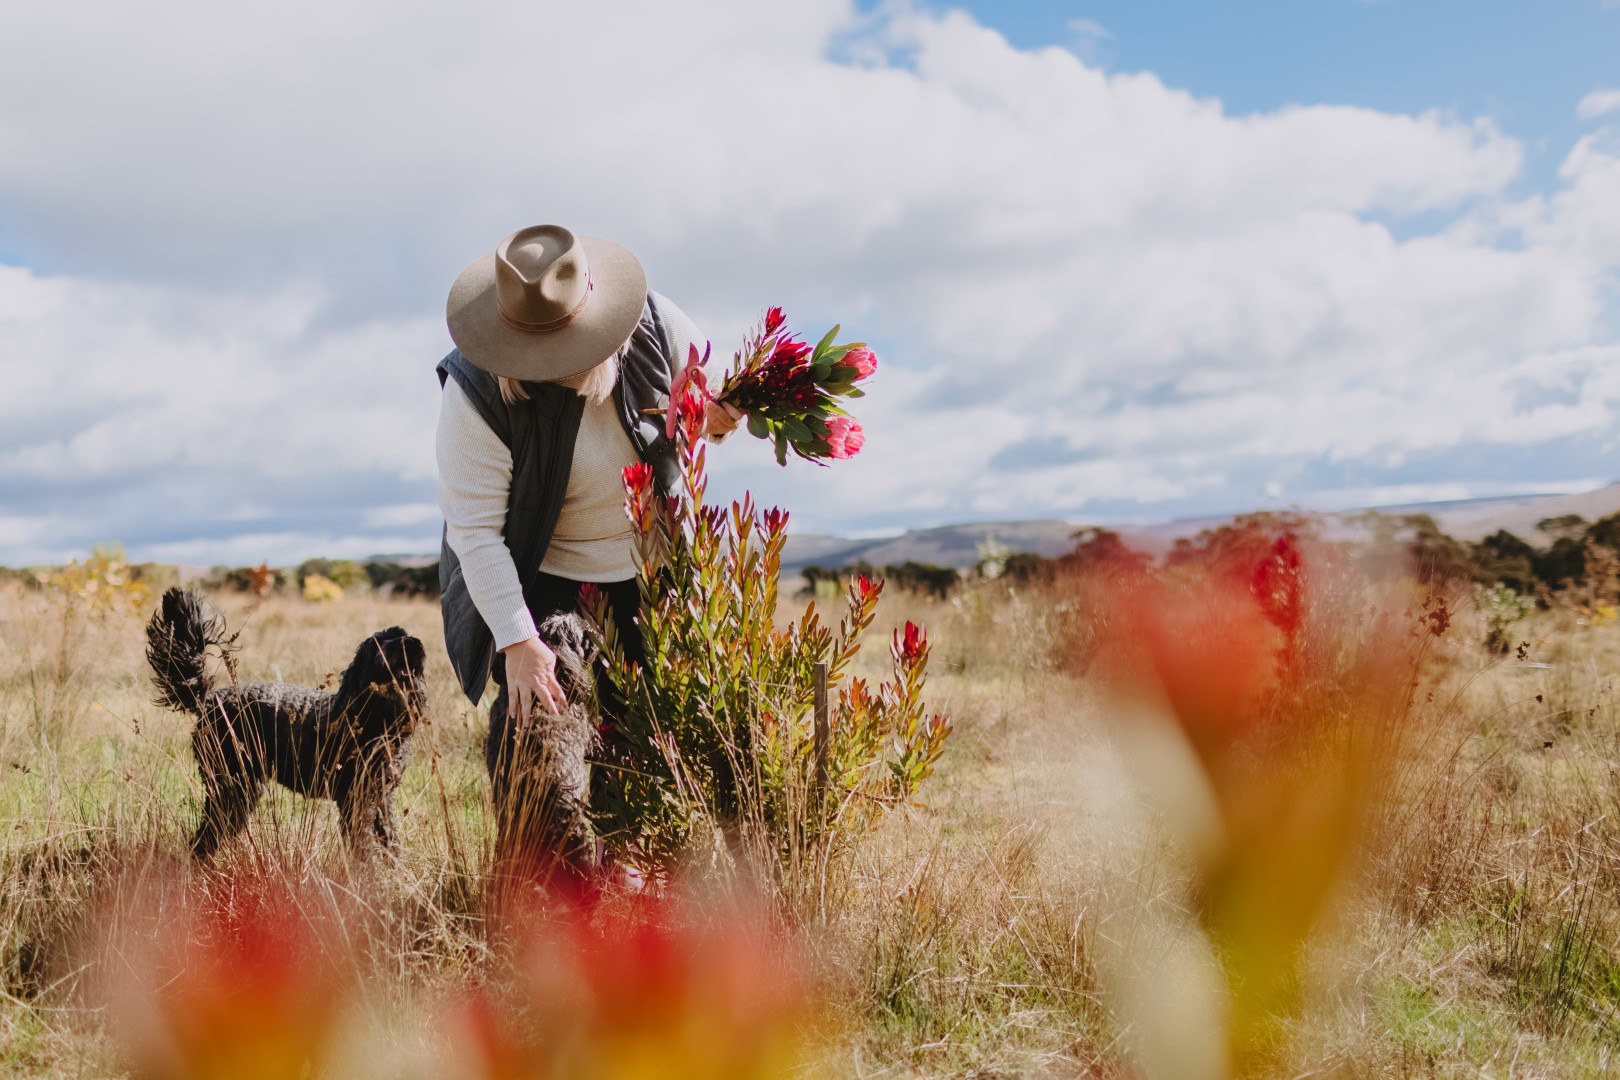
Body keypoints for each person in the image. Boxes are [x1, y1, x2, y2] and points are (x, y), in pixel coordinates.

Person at [434, 223, 739, 883]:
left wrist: (713, 415)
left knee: (652, 737)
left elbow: (705, 409)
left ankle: (642, 883)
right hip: (542, 577)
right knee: (537, 741)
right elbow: (476, 531)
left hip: (652, 576)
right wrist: (517, 641)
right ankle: (547, 893)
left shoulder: (658, 326)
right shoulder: (477, 391)